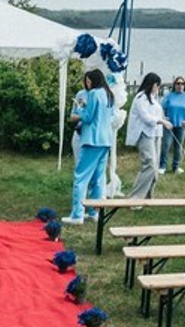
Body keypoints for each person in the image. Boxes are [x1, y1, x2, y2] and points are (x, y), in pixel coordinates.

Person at [66, 68, 114, 224]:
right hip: (106, 140)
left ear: (94, 80)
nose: (87, 83)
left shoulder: (94, 93)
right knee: (98, 177)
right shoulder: (109, 94)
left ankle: (77, 215)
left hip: (92, 139)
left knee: (81, 177)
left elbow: (87, 117)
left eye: (88, 81)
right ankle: (94, 212)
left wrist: (79, 107)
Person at [125, 72, 170, 199]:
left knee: (154, 167)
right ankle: (135, 197)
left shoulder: (153, 99)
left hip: (156, 134)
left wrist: (164, 119)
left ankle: (148, 195)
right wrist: (161, 121)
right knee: (149, 164)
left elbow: (156, 114)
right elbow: (146, 117)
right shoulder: (141, 98)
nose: (158, 88)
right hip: (144, 134)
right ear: (152, 84)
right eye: (157, 85)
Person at [159, 76, 185, 174]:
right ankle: (162, 166)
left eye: (182, 84)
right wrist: (164, 117)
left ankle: (176, 166)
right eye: (178, 83)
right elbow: (162, 108)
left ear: (184, 86)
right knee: (166, 145)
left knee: (178, 146)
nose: (180, 85)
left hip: (181, 125)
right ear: (174, 85)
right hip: (169, 124)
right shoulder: (169, 96)